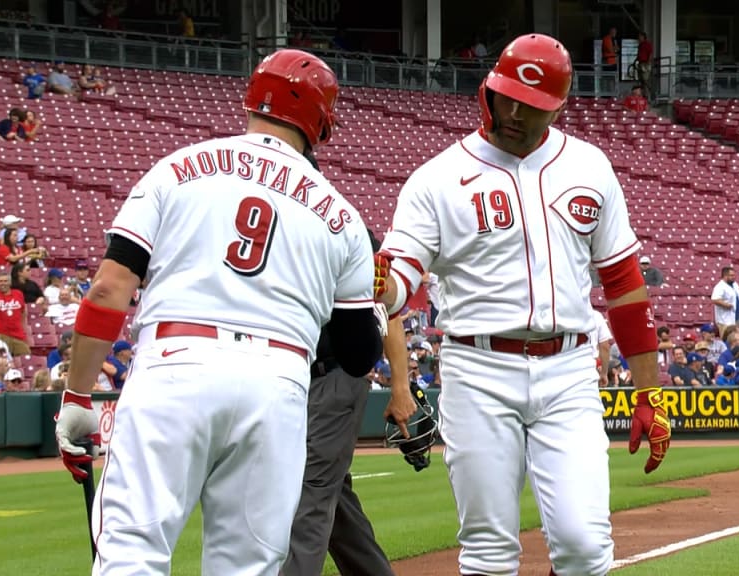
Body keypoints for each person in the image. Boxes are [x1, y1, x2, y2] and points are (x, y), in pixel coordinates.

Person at [52, 49, 382, 575]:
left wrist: (76, 394)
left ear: (252, 99)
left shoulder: (178, 167)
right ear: (321, 121)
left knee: (132, 553)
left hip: (174, 364)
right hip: (277, 385)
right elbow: (359, 354)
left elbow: (108, 291)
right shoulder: (341, 213)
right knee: (247, 566)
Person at [374, 34, 670, 576]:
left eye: (530, 105)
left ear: (558, 106)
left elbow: (625, 285)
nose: (512, 112)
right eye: (505, 96)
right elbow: (399, 279)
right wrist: (381, 283)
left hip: (569, 369)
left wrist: (649, 388)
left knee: (584, 547)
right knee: (488, 550)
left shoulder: (589, 165)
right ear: (488, 88)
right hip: (478, 367)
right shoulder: (436, 178)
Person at [281, 228, 418, 576]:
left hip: (334, 375)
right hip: (287, 378)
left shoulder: (344, 225)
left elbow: (390, 309)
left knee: (308, 497)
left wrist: (400, 387)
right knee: (334, 501)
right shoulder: (278, 215)